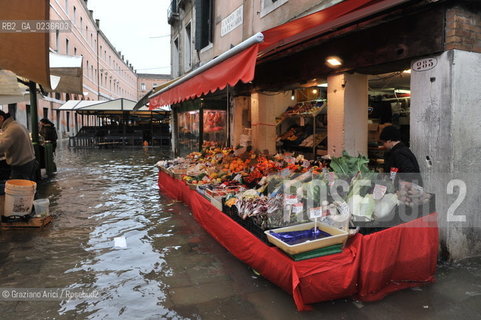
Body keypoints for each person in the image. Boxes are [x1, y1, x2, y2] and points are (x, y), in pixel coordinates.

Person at [0, 111, 37, 181]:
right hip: (29, 162)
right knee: (26, 187)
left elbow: (1, 147)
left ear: (1, 118)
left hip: (22, 166)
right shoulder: (16, 125)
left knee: (19, 189)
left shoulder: (11, 129)